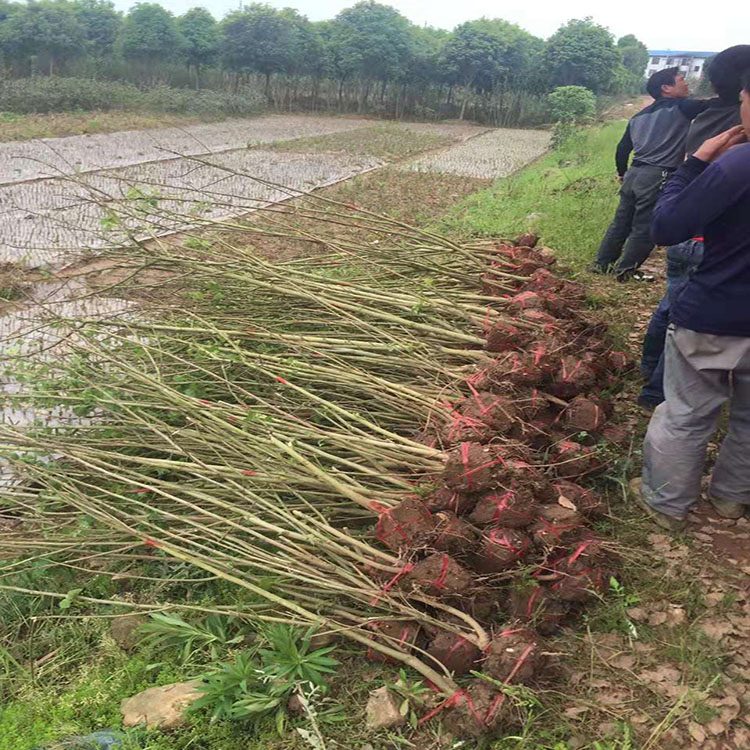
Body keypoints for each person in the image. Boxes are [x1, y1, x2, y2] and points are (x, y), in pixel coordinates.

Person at [630, 73, 750, 532]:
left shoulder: (736, 166)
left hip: (715, 314)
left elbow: (666, 227)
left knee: (686, 412)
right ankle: (732, 499)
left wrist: (695, 164)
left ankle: (667, 504)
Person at [638, 46, 750, 410]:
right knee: (686, 326)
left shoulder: (703, 115)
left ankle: (648, 374)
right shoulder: (735, 133)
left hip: (688, 232)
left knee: (671, 308)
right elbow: (664, 225)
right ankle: (656, 390)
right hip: (705, 240)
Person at [592, 68, 709, 281]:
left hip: (634, 174)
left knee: (621, 222)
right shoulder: (683, 107)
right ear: (666, 88)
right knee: (645, 226)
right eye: (681, 80)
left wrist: (621, 173)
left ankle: (602, 264)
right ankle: (625, 272)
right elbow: (717, 105)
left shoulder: (638, 116)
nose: (687, 84)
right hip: (657, 174)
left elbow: (622, 148)